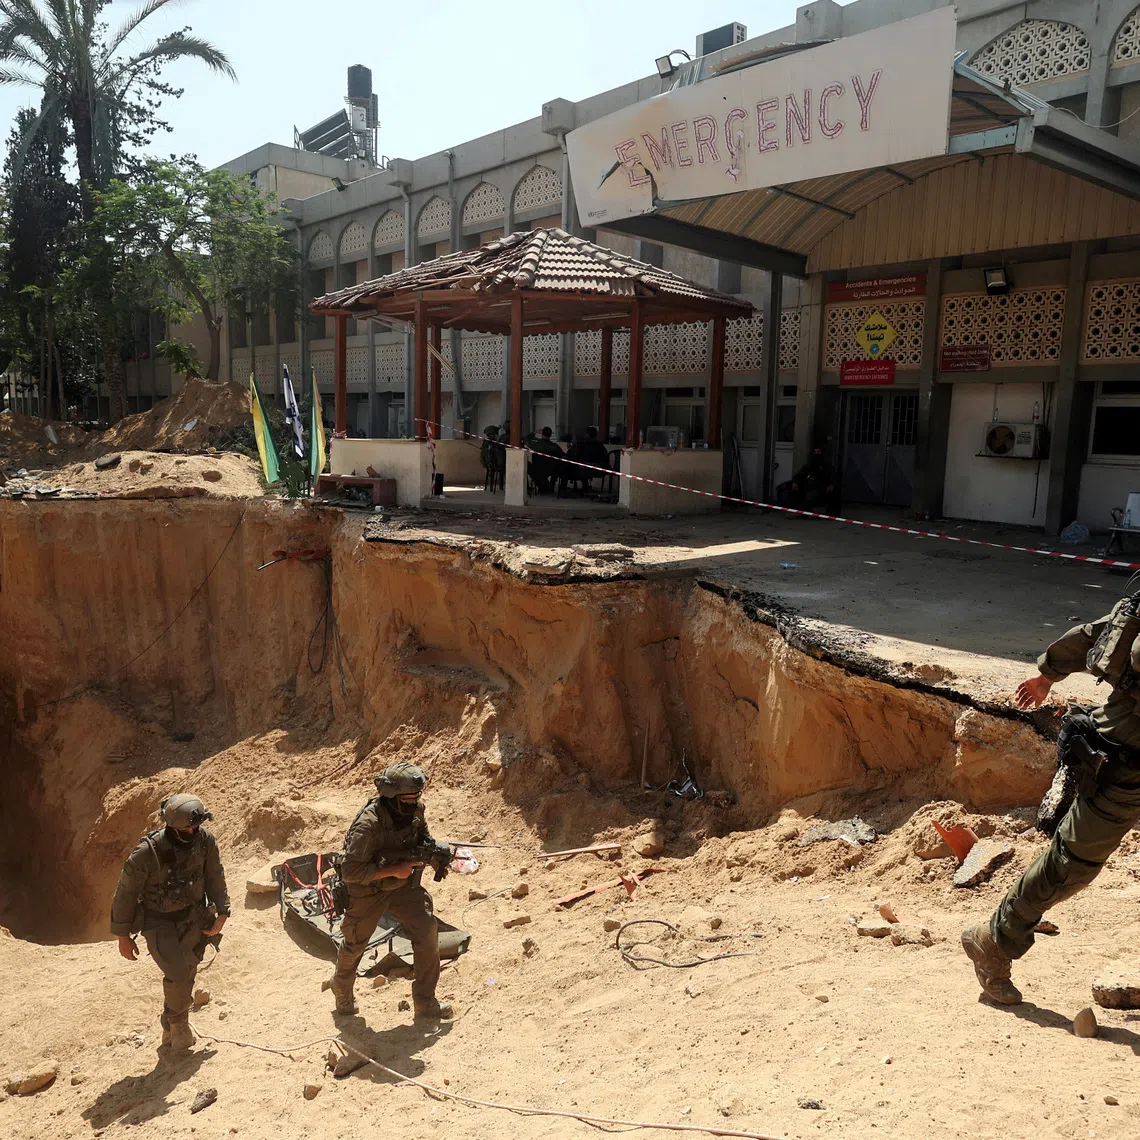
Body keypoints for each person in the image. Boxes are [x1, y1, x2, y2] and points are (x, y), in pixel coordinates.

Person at [962, 595, 1140, 1004]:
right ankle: (994, 940)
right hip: (1125, 767)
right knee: (1070, 866)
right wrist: (1047, 674)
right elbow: (1096, 635)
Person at [330, 761, 454, 1022]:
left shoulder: (416, 810)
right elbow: (351, 871)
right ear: (391, 797)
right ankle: (341, 989)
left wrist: (436, 856)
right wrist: (392, 871)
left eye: (417, 797)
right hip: (367, 888)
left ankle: (425, 1002)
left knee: (427, 930)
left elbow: (422, 839)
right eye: (408, 798)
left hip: (402, 886)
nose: (414, 803)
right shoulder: (369, 825)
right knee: (354, 944)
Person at [109, 794, 230, 1052]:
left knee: (188, 971)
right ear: (173, 826)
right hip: (158, 923)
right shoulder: (146, 854)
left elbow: (214, 875)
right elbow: (125, 893)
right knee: (177, 973)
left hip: (194, 918)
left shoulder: (205, 842)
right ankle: (178, 1024)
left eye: (196, 826)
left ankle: (169, 1019)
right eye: (189, 827)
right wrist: (122, 935)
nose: (194, 831)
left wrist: (222, 911)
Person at [789, 448, 841, 514]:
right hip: (809, 487)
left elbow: (833, 477)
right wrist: (795, 482)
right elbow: (800, 474)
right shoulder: (808, 466)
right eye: (815, 452)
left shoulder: (827, 466)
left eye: (818, 452)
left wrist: (832, 485)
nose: (816, 454)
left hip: (822, 488)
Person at [527, 426, 564, 494]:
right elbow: (563, 455)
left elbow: (526, 439)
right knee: (559, 463)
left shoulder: (536, 444)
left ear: (542, 433)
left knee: (527, 465)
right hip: (550, 469)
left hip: (537, 469)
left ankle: (542, 485)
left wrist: (534, 432)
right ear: (550, 435)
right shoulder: (554, 446)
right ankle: (550, 486)